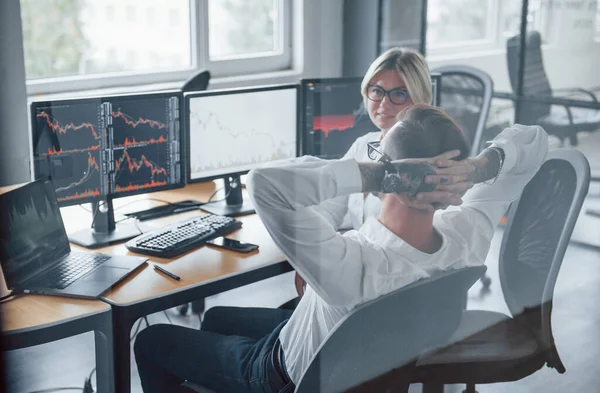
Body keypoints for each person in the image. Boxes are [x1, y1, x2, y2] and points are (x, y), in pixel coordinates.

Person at [133, 105, 549, 393]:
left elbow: (262, 183)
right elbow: (533, 140)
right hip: (349, 362)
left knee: (151, 342)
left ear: (392, 175)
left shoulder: (354, 266)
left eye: (379, 158)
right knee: (218, 317)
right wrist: (480, 167)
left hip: (281, 376)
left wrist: (377, 175)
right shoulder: (467, 234)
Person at [286, 47, 471, 301]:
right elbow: (330, 209)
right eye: (376, 91)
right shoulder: (363, 146)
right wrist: (313, 255)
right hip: (357, 280)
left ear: (420, 99)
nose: (383, 104)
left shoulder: (433, 163)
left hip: (395, 290)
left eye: (399, 93)